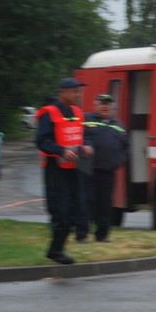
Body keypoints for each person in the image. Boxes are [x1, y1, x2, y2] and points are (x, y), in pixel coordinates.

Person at [35, 78, 94, 264]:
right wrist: (61, 151)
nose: (78, 95)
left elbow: (85, 136)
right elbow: (41, 141)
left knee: (77, 209)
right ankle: (56, 250)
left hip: (74, 168)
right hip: (55, 170)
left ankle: (58, 248)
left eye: (79, 91)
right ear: (63, 92)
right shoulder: (49, 113)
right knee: (61, 211)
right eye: (75, 91)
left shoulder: (78, 113)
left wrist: (86, 146)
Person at [82, 94, 128, 242]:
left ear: (113, 108)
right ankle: (82, 233)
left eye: (108, 104)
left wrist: (118, 161)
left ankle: (102, 235)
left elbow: (126, 148)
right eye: (102, 103)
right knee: (87, 201)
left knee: (105, 203)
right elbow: (78, 137)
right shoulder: (86, 120)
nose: (105, 107)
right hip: (88, 170)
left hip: (108, 171)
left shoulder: (119, 126)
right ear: (95, 105)